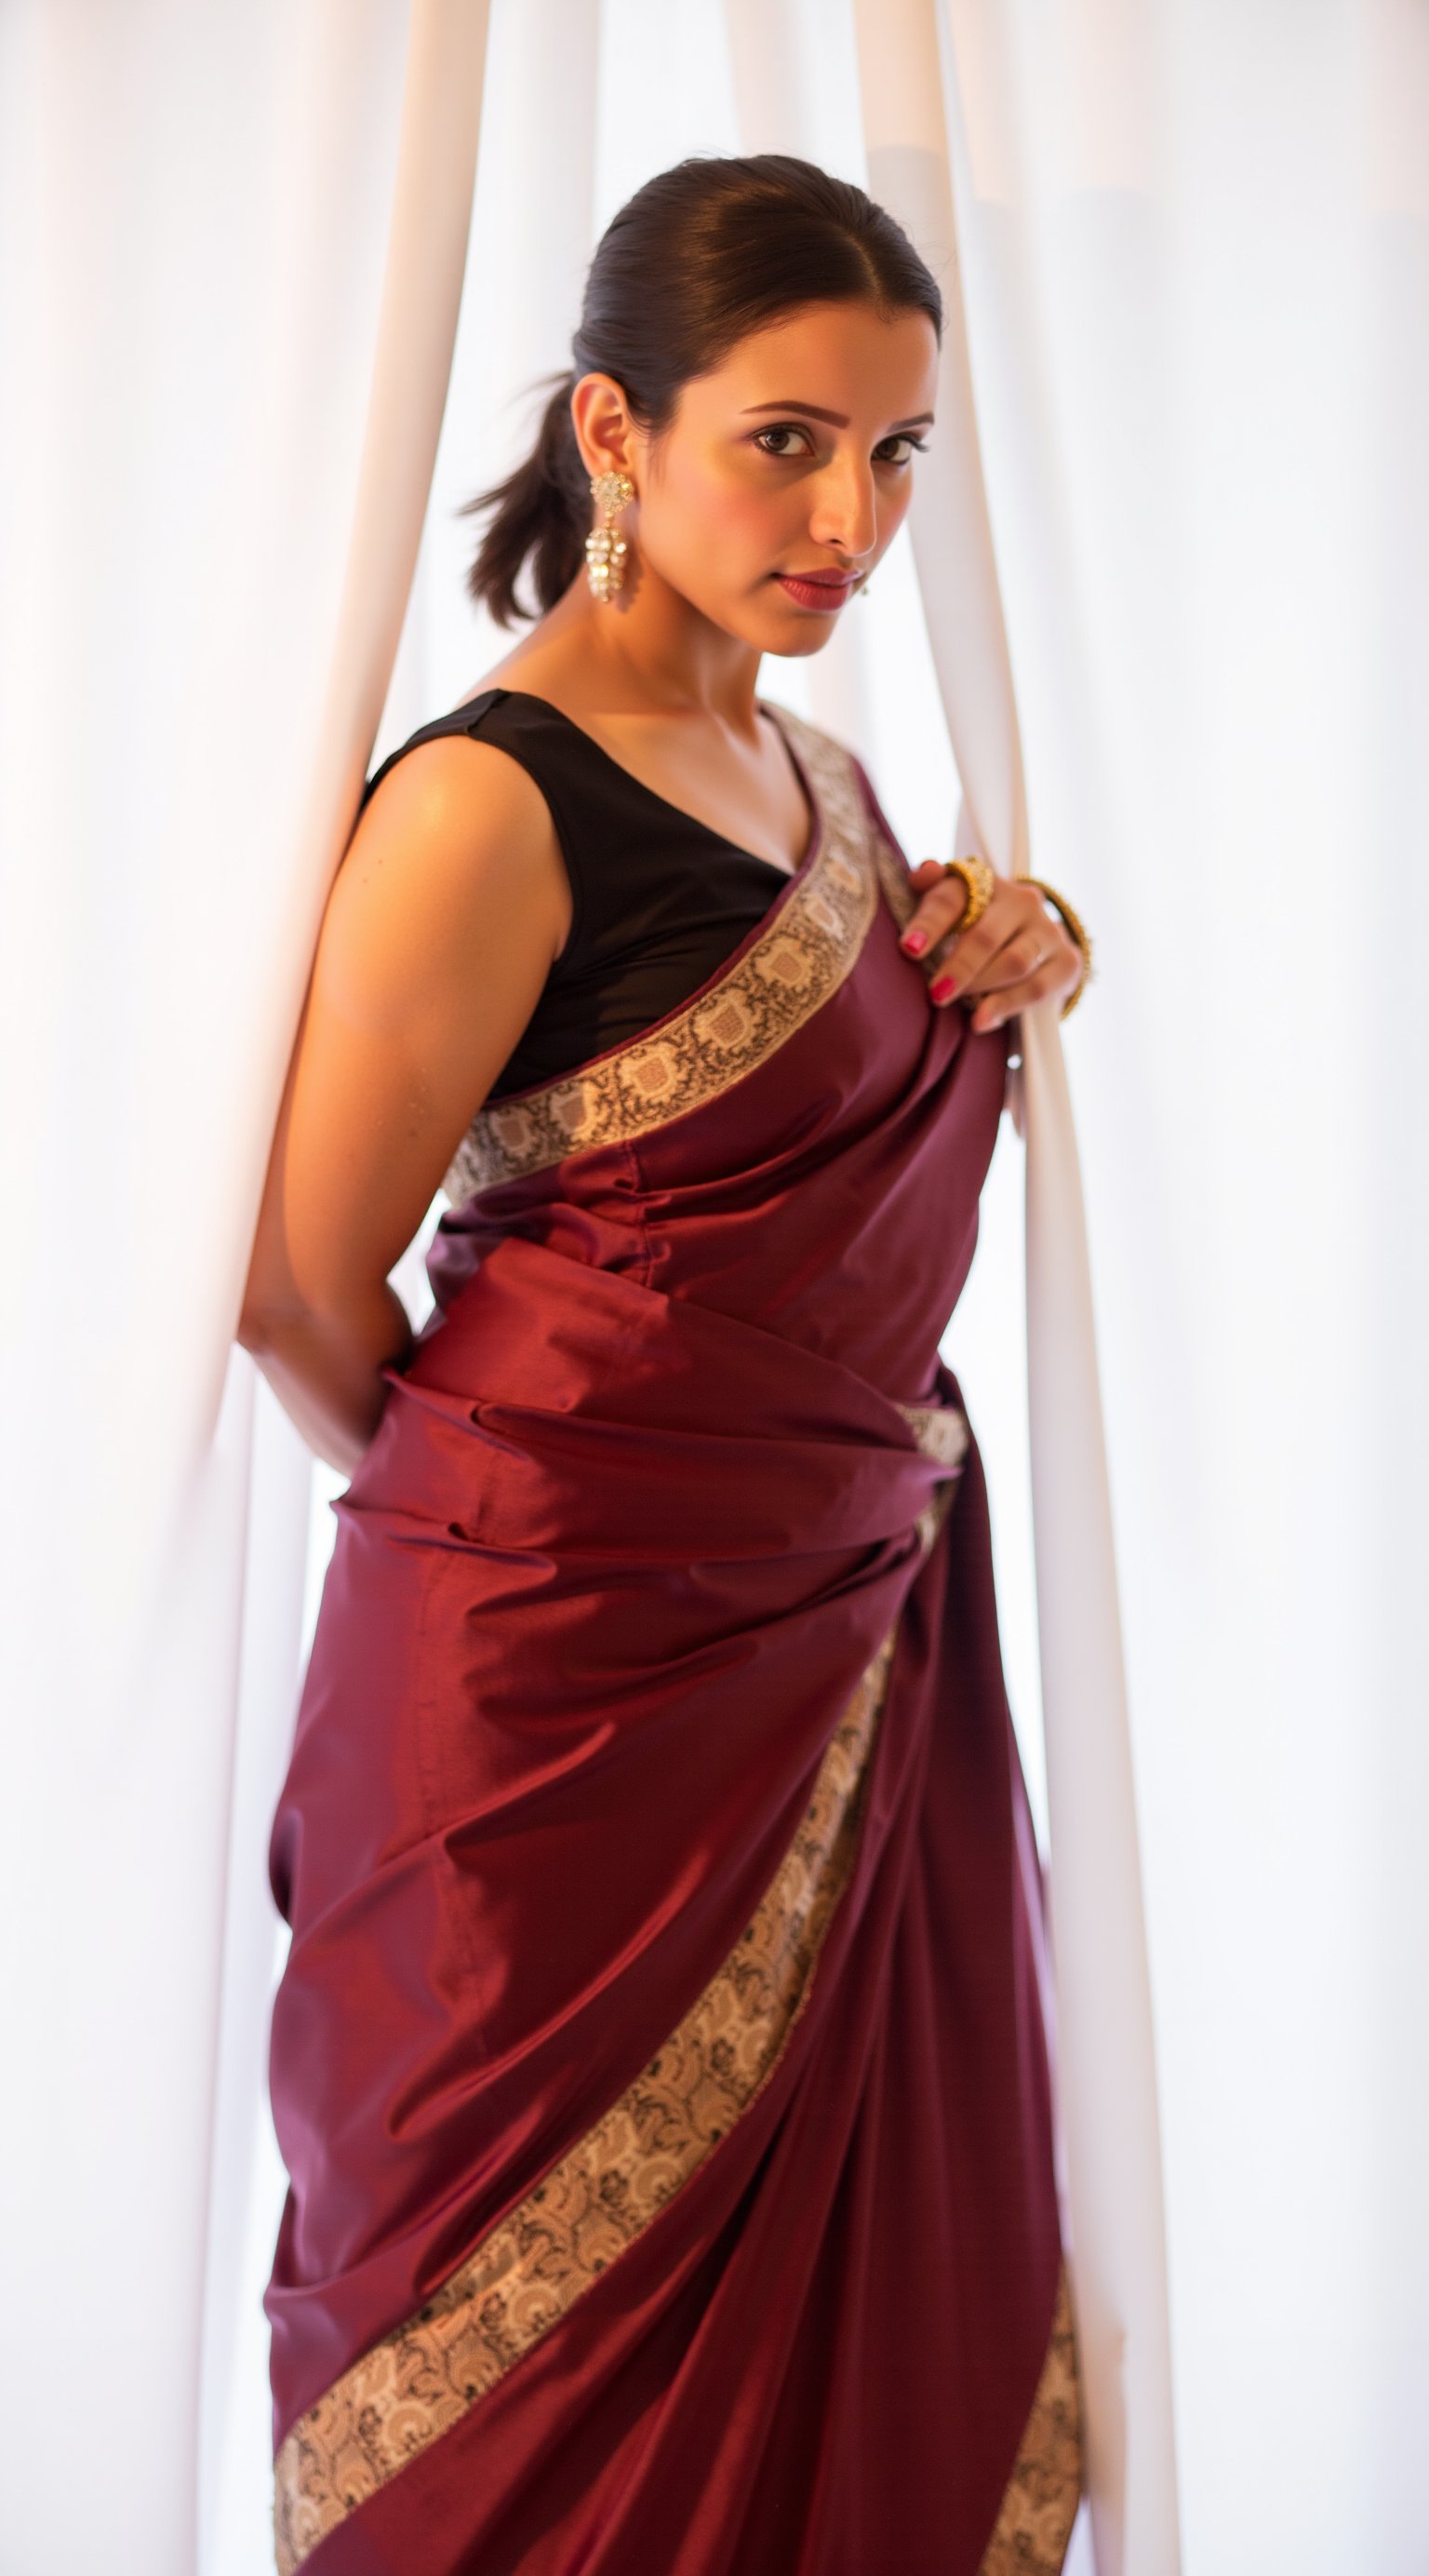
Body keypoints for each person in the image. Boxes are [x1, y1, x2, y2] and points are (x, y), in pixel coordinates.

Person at [238, 152, 1091, 2576]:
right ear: (616, 437)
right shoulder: (489, 806)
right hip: (532, 1726)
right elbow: (305, 1291)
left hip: (834, 1655)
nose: (853, 512)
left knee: (839, 2348)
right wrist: (560, 1523)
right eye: (788, 441)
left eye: (899, 452)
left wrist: (999, 957)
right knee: (507, 2386)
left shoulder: (819, 781)